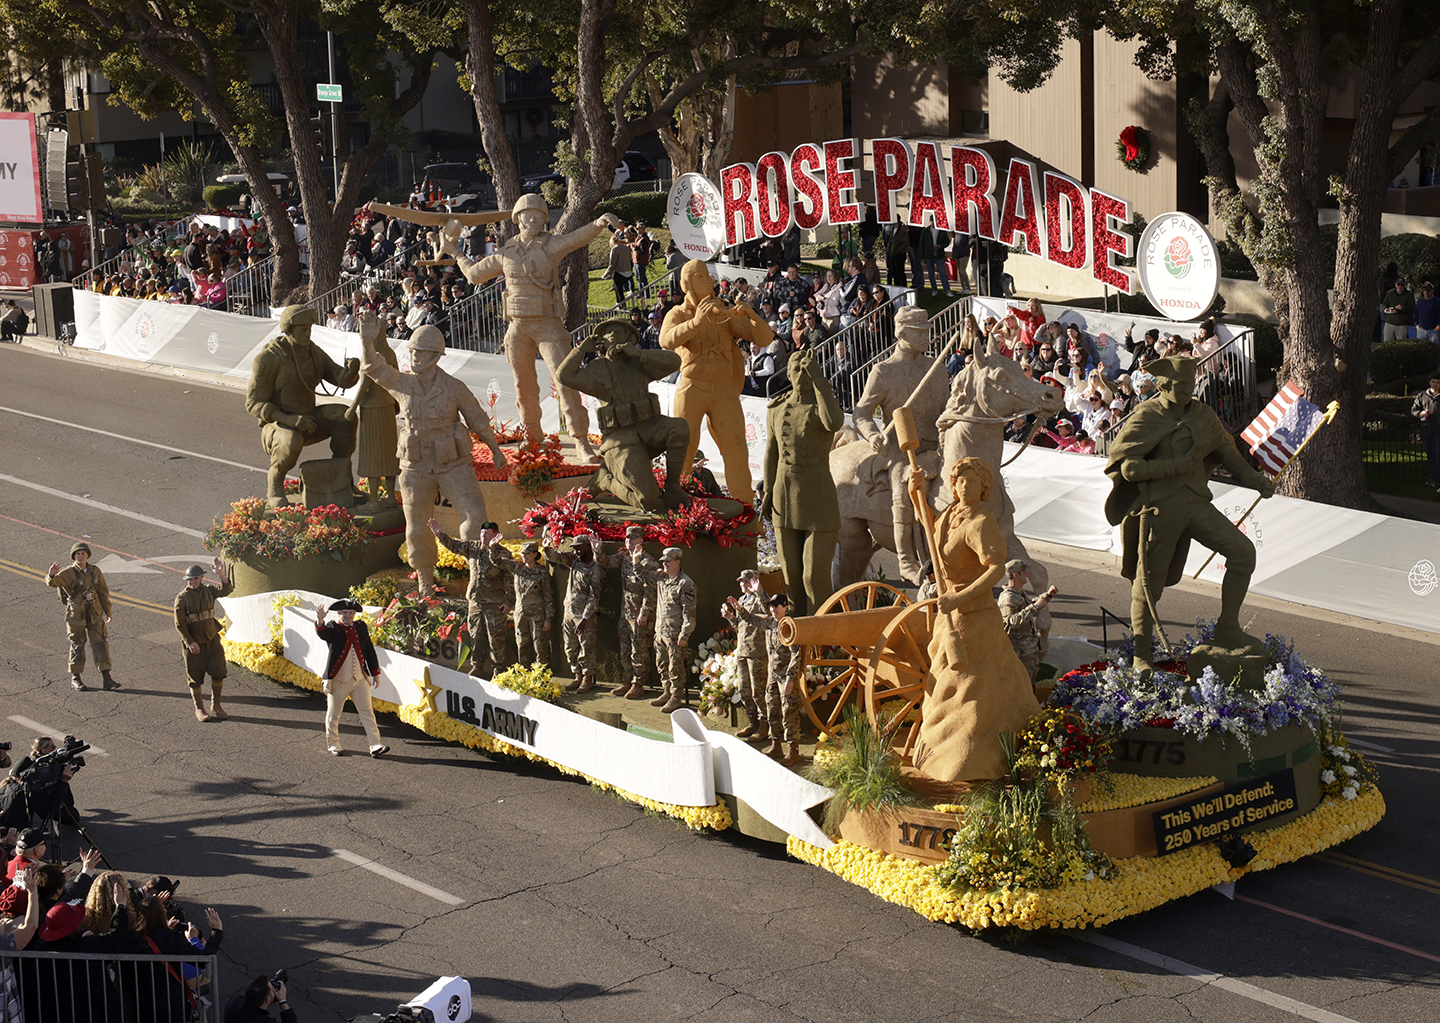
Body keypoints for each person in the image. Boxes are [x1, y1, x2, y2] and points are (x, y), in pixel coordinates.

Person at [1104, 357, 1276, 673]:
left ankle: (1227, 627)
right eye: (1180, 385)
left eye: (1191, 384)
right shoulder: (1148, 415)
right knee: (1148, 583)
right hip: (1160, 508)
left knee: (1242, 552)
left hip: (1195, 504)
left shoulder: (1202, 415)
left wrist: (1255, 480)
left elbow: (1227, 451)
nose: (1187, 390)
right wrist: (1171, 467)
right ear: (1163, 385)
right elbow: (1127, 467)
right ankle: (1142, 652)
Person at [433, 197, 624, 460]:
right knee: (523, 386)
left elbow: (577, 238)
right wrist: (454, 252)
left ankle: (581, 439)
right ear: (518, 219)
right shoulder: (505, 252)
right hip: (518, 328)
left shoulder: (551, 245)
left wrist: (599, 223)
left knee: (566, 381)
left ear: (545, 219)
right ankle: (533, 436)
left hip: (548, 326)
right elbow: (475, 275)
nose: (532, 220)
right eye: (527, 215)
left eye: (538, 216)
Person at [909, 458, 1040, 782]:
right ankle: (936, 754)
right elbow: (929, 528)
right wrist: (916, 495)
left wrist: (961, 596)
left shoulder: (981, 522)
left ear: (984, 487)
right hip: (949, 615)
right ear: (953, 486)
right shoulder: (952, 515)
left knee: (972, 694)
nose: (964, 486)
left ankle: (969, 762)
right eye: (960, 481)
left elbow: (996, 568)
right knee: (942, 687)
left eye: (971, 482)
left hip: (975, 619)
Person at [358, 315, 507, 597]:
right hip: (415, 466)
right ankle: (425, 581)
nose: (415, 357)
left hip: (452, 463)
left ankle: (479, 575)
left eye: (422, 352)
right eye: (412, 351)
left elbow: (477, 419)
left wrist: (496, 450)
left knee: (475, 515)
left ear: (436, 356)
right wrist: (366, 339)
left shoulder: (454, 388)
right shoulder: (403, 384)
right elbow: (372, 367)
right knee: (416, 526)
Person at [660, 260, 773, 504]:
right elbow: (665, 340)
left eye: (708, 276)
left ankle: (744, 512)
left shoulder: (723, 311)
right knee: (684, 452)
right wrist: (696, 321)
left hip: (724, 390)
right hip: (691, 388)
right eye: (701, 277)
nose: (708, 281)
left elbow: (764, 339)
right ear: (688, 284)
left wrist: (751, 314)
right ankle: (677, 508)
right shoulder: (678, 313)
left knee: (736, 450)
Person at [853, 305, 949, 583]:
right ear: (902, 333)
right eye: (919, 332)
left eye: (927, 332)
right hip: (900, 449)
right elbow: (862, 412)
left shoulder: (937, 368)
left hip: (937, 446)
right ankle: (906, 559)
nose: (926, 337)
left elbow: (946, 406)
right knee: (902, 481)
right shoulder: (884, 371)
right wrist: (872, 435)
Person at [556, 319, 690, 512]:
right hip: (621, 441)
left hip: (651, 430)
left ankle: (673, 487)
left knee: (679, 427)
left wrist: (640, 354)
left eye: (616, 332)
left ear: (629, 338)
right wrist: (581, 350)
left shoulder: (639, 363)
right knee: (648, 501)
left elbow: (675, 361)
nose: (611, 336)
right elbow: (563, 376)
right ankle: (605, 480)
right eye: (607, 334)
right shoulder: (597, 369)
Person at [246, 305, 361, 505]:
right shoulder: (269, 358)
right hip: (279, 425)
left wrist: (351, 372)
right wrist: (288, 419)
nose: (308, 333)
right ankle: (275, 483)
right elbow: (253, 403)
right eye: (302, 329)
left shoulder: (312, 352)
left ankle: (343, 479)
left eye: (309, 328)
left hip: (309, 418)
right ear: (289, 330)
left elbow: (338, 378)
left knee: (346, 416)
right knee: (290, 441)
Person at [764, 350, 845, 615]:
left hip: (817, 497)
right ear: (788, 373)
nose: (801, 374)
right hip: (784, 497)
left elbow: (834, 421)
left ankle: (822, 640)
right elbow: (771, 452)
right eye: (796, 369)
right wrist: (767, 491)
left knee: (814, 578)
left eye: (807, 369)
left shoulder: (821, 406)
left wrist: (820, 380)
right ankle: (798, 639)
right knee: (792, 578)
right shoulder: (777, 408)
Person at [430, 518, 514, 676]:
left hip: (494, 604)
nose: (483, 536)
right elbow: (454, 546)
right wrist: (440, 534)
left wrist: (509, 602)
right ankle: (478, 666)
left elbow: (511, 579)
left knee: (496, 638)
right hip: (475, 602)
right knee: (476, 635)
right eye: (482, 532)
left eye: (487, 533)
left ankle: (499, 669)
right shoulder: (472, 547)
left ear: (496, 535)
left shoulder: (503, 554)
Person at [542, 530, 619, 694]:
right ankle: (577, 676)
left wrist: (585, 618)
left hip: (584, 616)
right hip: (569, 613)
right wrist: (547, 549)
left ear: (588, 548)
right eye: (574, 549)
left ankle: (587, 678)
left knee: (586, 649)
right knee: (570, 648)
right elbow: (557, 558)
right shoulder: (574, 561)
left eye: (579, 548)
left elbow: (594, 597)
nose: (576, 552)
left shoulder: (596, 569)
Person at [313, 599, 389, 757]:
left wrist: (376, 673)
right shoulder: (333, 627)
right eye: (345, 613)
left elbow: (368, 649)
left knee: (367, 712)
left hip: (360, 679)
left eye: (351, 613)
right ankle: (334, 744)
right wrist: (320, 620)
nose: (348, 615)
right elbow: (323, 634)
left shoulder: (361, 627)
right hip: (339, 680)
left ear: (354, 614)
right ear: (339, 614)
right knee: (334, 714)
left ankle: (375, 745)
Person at [46, 541, 119, 691]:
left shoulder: (95, 571)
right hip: (76, 614)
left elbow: (103, 592)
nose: (81, 556)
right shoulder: (68, 572)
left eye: (83, 553)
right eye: (78, 554)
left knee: (100, 643)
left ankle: (107, 678)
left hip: (94, 612)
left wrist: (108, 611)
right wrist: (51, 574)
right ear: (74, 556)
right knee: (77, 644)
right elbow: (54, 582)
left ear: (87, 555)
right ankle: (76, 678)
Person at [175, 558, 234, 722]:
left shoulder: (208, 591)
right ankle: (199, 707)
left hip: (212, 639)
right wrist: (190, 643)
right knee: (195, 677)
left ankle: (216, 705)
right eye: (190, 580)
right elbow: (180, 625)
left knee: (219, 671)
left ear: (201, 578)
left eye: (195, 579)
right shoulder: (182, 598)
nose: (192, 582)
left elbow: (226, 590)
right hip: (195, 644)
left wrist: (221, 574)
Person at [720, 570, 769, 741]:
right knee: (744, 689)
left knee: (758, 691)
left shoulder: (760, 598)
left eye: (747, 581)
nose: (743, 584)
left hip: (757, 651)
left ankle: (764, 726)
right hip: (742, 650)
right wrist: (730, 617)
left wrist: (760, 592)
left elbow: (768, 614)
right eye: (741, 582)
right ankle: (753, 722)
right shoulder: (742, 600)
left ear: (755, 582)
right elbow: (740, 626)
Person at [614, 526, 659, 700]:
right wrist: (596, 551)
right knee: (625, 648)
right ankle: (627, 680)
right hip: (625, 613)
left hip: (640, 615)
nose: (628, 541)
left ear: (641, 541)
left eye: (632, 539)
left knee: (639, 650)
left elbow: (651, 591)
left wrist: (645, 613)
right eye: (627, 538)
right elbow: (607, 562)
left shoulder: (648, 562)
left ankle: (638, 684)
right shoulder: (625, 558)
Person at [650, 547, 697, 713]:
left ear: (678, 562)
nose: (665, 564)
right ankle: (667, 691)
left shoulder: (686, 583)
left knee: (675, 667)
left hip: (675, 635)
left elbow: (689, 613)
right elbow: (641, 576)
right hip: (661, 632)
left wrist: (685, 635)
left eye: (668, 561)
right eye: (663, 561)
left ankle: (676, 697)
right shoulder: (662, 579)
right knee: (661, 664)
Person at [998, 559, 1057, 685]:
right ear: (1016, 575)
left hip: (1027, 649)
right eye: (1024, 572)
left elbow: (1028, 605)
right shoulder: (1009, 597)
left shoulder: (1018, 593)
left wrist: (1047, 595)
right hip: (1019, 651)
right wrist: (1034, 608)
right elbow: (1011, 621)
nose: (1027, 574)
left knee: (1030, 682)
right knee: (1023, 684)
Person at [762, 593, 804, 764]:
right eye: (771, 606)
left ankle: (793, 750)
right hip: (772, 675)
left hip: (786, 677)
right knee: (772, 708)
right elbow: (753, 617)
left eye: (776, 606)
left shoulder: (789, 626)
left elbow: (796, 654)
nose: (773, 609)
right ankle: (776, 745)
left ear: (785, 607)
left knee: (789, 711)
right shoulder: (770, 624)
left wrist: (790, 677)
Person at [506, 541, 553, 667]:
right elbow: (497, 561)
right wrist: (493, 546)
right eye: (523, 553)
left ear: (534, 554)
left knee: (540, 645)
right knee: (522, 644)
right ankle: (525, 672)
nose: (524, 556)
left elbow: (548, 597)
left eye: (527, 553)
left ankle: (542, 673)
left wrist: (548, 618)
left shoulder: (542, 572)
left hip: (537, 615)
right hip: (521, 614)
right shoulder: (518, 568)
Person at [226, 974, 297, 1023]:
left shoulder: (234, 1001)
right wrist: (282, 1001)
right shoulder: (264, 1021)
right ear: (267, 1000)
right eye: (273, 990)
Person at [1414, 372, 1440, 492]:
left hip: (1438, 430)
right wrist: (1421, 414)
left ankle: (1437, 480)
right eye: (1433, 381)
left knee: (1437, 455)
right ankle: (1432, 479)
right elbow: (1415, 409)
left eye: (1438, 382)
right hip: (1426, 428)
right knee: (1430, 454)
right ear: (1430, 382)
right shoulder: (1422, 396)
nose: (1435, 384)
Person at [1382, 277, 1415, 343]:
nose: (1400, 286)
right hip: (1390, 322)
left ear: (1404, 286)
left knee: (1401, 345)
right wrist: (1385, 309)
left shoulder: (1409, 295)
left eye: (1402, 285)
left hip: (1402, 323)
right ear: (1395, 285)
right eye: (1398, 284)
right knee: (1387, 343)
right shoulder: (1390, 293)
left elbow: (1412, 308)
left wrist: (1403, 307)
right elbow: (1385, 303)